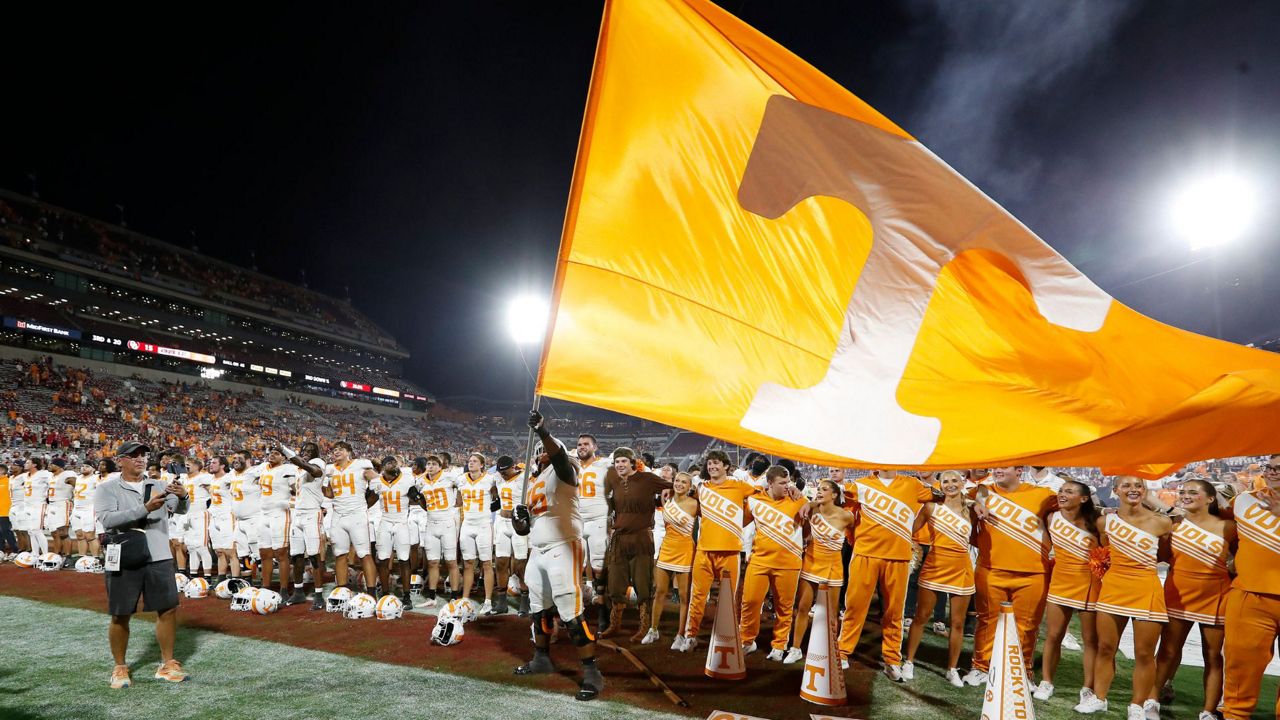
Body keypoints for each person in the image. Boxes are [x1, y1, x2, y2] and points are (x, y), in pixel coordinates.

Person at [513, 409, 603, 702]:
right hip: (538, 549)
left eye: (544, 450)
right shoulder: (534, 481)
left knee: (570, 608)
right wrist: (520, 520)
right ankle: (542, 657)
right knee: (539, 608)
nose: (540, 455)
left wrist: (543, 431)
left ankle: (592, 673)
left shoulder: (565, 470)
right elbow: (525, 528)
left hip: (563, 545)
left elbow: (563, 459)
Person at [93, 441, 189, 688]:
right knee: (120, 613)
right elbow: (107, 519)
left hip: (158, 554)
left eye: (143, 455)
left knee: (167, 609)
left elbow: (179, 511)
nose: (140, 459)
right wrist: (144, 508)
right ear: (120, 460)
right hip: (125, 555)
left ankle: (167, 663)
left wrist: (183, 496)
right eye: (134, 455)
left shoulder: (157, 484)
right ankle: (120, 666)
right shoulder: (107, 488)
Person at [1078, 475, 1172, 718]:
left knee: (1144, 653)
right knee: (1106, 647)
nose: (1133, 489)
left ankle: (1137, 705)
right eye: (1127, 485)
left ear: (1145, 490)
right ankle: (1099, 698)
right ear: (1115, 490)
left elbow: (1165, 554)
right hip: (1114, 588)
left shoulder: (1161, 522)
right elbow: (1105, 549)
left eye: (1139, 486)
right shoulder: (1104, 523)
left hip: (1146, 589)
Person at [837, 467, 937, 679]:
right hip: (865, 554)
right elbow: (842, 509)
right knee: (854, 606)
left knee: (894, 612)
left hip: (898, 557)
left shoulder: (913, 485)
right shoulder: (859, 485)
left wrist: (979, 498)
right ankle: (842, 652)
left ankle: (892, 659)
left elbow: (945, 494)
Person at [964, 465, 1057, 687]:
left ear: (1019, 470)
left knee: (1027, 626)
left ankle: (1023, 672)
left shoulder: (1043, 495)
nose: (997, 470)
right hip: (991, 568)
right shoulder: (981, 492)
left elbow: (1076, 508)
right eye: (995, 466)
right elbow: (953, 497)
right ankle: (981, 667)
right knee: (986, 621)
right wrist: (976, 503)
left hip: (1034, 572)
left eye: (1004, 467)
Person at [1153, 478, 1234, 720]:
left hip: (1216, 597)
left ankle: (1208, 710)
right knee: (1167, 651)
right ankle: (1151, 700)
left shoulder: (1229, 527)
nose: (1185, 495)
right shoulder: (1174, 525)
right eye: (1183, 492)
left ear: (1210, 498)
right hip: (1178, 594)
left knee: (1213, 656)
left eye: (1193, 492)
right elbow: (1163, 557)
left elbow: (1243, 558)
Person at [678, 449, 760, 651]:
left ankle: (725, 635)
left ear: (726, 466)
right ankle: (691, 635)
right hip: (704, 551)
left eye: (716, 463)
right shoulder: (701, 487)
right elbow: (681, 492)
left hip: (730, 552)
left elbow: (762, 499)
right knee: (697, 596)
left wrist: (742, 520)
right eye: (710, 464)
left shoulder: (739, 485)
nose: (712, 467)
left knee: (728, 600)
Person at [1220, 453, 1280, 720]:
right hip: (1250, 596)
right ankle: (1234, 715)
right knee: (1240, 667)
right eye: (1270, 467)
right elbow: (1209, 518)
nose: (1273, 472)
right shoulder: (1243, 499)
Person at [903, 470, 976, 687]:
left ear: (962, 483)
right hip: (934, 566)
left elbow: (979, 538)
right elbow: (910, 530)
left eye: (955, 480)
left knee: (957, 622)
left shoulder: (971, 509)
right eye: (946, 481)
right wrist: (911, 551)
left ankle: (951, 669)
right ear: (940, 484)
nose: (951, 484)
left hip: (961, 568)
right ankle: (909, 661)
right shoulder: (931, 507)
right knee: (921, 616)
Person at [1034, 478, 1102, 704]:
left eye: (1069, 491)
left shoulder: (1097, 522)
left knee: (1090, 640)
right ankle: (1046, 682)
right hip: (1060, 582)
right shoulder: (1052, 518)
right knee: (1053, 635)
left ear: (1083, 498)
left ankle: (1087, 689)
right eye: (1061, 490)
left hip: (1090, 585)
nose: (1062, 494)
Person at [601, 447, 672, 640]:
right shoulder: (612, 479)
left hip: (641, 538)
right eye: (617, 462)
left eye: (624, 461)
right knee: (615, 584)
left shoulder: (647, 478)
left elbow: (672, 486)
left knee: (642, 584)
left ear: (632, 462)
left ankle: (645, 627)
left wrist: (667, 494)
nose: (620, 465)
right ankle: (615, 624)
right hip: (619, 538)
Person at [739, 465, 807, 659]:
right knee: (750, 601)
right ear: (769, 483)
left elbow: (812, 508)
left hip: (789, 562)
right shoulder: (754, 500)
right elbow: (741, 521)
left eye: (788, 482)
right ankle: (747, 640)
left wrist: (807, 502)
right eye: (782, 483)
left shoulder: (798, 499)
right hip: (759, 559)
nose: (787, 486)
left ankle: (779, 644)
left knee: (784, 607)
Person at [786, 478, 855, 664]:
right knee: (802, 608)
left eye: (824, 489)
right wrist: (810, 502)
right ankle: (795, 648)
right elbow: (804, 528)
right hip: (811, 563)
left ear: (834, 494)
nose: (819, 491)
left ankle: (831, 649)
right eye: (818, 488)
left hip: (834, 567)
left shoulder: (847, 516)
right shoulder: (812, 510)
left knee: (831, 613)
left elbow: (856, 536)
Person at [642, 470, 698, 647]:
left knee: (683, 596)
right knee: (659, 591)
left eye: (684, 482)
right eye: (677, 481)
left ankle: (681, 634)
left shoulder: (695, 504)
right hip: (666, 548)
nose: (679, 484)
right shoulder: (667, 499)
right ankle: (653, 630)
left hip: (685, 551)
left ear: (690, 487)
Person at [322, 441, 378, 593]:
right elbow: (329, 494)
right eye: (334, 449)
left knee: (364, 553)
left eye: (340, 449)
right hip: (338, 516)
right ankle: (342, 591)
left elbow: (377, 481)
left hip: (357, 515)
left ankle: (372, 592)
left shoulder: (360, 465)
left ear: (349, 452)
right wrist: (320, 485)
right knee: (339, 554)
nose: (336, 451)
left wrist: (368, 502)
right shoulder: (331, 469)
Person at [373, 455, 423, 606]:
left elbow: (417, 498)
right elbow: (367, 501)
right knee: (382, 559)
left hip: (401, 522)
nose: (393, 464)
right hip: (385, 521)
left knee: (403, 559)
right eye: (389, 462)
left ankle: (406, 595)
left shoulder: (407, 480)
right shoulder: (377, 482)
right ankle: (385, 593)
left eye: (395, 462)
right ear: (382, 467)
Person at [283, 442, 326, 608]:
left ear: (316, 453)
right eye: (304, 450)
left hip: (311, 514)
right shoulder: (298, 470)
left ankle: (319, 594)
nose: (306, 452)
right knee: (296, 555)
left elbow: (314, 471)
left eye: (310, 450)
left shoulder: (318, 463)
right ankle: (298, 592)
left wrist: (286, 451)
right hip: (298, 514)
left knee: (314, 556)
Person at [417, 454, 461, 606]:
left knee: (451, 561)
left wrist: (458, 503)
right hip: (431, 523)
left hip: (447, 523)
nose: (430, 466)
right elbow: (417, 495)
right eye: (428, 463)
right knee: (433, 562)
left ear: (440, 466)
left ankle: (455, 597)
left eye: (434, 464)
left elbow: (463, 486)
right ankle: (432, 597)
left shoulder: (449, 477)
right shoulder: (421, 481)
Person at [457, 452, 497, 613]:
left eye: (475, 461)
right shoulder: (461, 479)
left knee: (486, 563)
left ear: (482, 465)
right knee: (467, 564)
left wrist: (488, 511)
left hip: (483, 525)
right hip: (467, 524)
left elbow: (497, 499)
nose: (471, 463)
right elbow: (459, 501)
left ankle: (488, 600)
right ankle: (465, 598)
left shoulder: (490, 479)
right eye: (470, 461)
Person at [575, 434, 612, 605]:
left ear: (594, 447)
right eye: (579, 444)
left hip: (599, 519)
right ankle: (582, 595)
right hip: (577, 521)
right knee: (577, 563)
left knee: (599, 564)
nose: (582, 447)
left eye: (586, 444)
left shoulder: (605, 464)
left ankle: (602, 597)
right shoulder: (572, 465)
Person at [258, 448, 298, 593]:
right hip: (263, 513)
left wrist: (293, 503)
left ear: (284, 457)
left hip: (280, 513)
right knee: (264, 553)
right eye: (271, 453)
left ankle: (283, 589)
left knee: (281, 552)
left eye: (276, 453)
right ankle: (266, 587)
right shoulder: (262, 468)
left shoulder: (288, 469)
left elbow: (297, 489)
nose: (272, 455)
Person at [492, 455, 529, 615]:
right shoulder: (498, 478)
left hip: (518, 524)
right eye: (500, 472)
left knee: (521, 565)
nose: (502, 474)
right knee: (500, 562)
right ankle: (502, 602)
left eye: (505, 471)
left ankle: (525, 601)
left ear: (513, 467)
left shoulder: (524, 479)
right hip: (501, 522)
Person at [227, 450, 264, 583]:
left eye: (239, 458)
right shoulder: (231, 474)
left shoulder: (255, 472)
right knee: (243, 554)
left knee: (258, 553)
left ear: (248, 460)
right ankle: (247, 584)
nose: (235, 460)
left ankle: (265, 585)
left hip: (254, 519)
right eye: (234, 458)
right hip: (239, 521)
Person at [71, 461, 103, 563]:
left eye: (87, 466)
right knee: (79, 535)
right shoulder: (78, 477)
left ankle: (95, 558)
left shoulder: (96, 478)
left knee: (90, 536)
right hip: (77, 508)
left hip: (89, 508)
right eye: (83, 466)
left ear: (93, 469)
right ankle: (82, 558)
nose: (84, 468)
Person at [46, 458, 77, 560]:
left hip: (63, 504)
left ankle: (68, 556)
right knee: (54, 533)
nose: (49, 466)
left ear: (59, 466)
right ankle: (56, 555)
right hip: (51, 505)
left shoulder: (67, 474)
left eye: (52, 464)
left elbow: (77, 484)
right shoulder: (51, 476)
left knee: (63, 533)